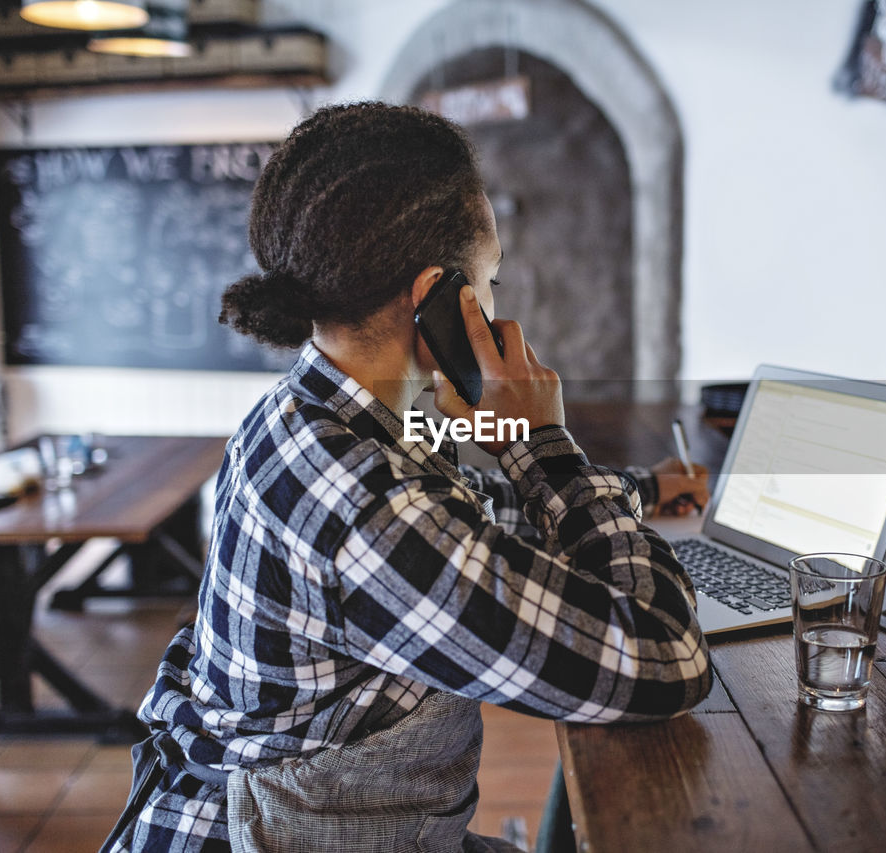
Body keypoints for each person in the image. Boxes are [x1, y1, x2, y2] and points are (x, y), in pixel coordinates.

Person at [103, 102, 712, 852]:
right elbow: (667, 658)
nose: (496, 308)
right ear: (439, 300)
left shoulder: (320, 410)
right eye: (490, 281)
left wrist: (642, 489)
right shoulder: (365, 509)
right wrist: (541, 441)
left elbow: (474, 515)